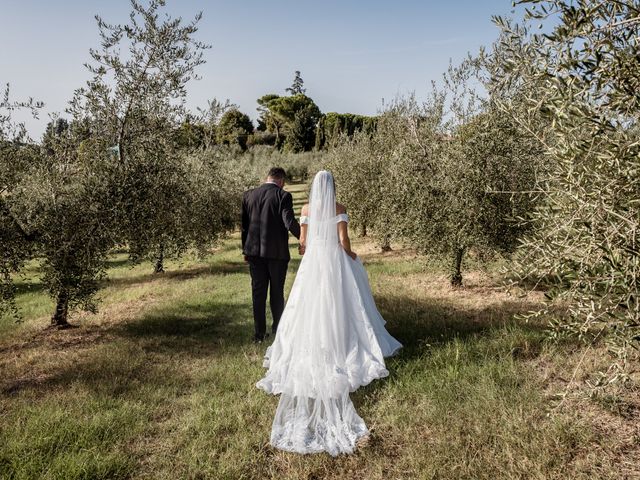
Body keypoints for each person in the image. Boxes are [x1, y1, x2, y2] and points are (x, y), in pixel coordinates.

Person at [256, 170, 402, 456]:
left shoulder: (306, 209)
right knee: (343, 304)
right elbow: (343, 239)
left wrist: (305, 250)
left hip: (313, 261)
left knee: (307, 306)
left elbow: (303, 242)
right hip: (334, 259)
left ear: (313, 189)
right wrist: (351, 256)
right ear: (333, 187)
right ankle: (344, 342)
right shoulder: (340, 209)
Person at [242, 167, 301, 343]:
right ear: (281, 181)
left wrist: (245, 249)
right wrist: (306, 238)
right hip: (276, 254)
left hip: (253, 253)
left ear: (267, 177)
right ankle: (278, 330)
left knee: (257, 293)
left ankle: (259, 334)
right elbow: (289, 222)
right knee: (277, 292)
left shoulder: (248, 195)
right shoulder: (283, 196)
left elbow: (244, 226)